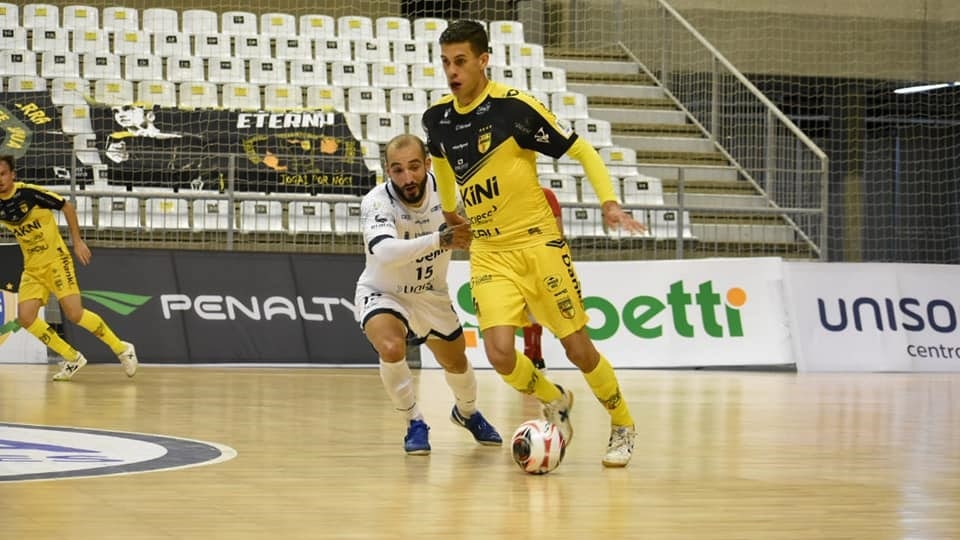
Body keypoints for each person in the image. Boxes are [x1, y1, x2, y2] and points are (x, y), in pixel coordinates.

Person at [422, 20, 646, 467]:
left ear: (483, 60)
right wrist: (450, 210)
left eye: (461, 61)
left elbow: (581, 149)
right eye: (446, 62)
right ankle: (556, 399)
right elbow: (442, 165)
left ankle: (622, 423)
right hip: (488, 249)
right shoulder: (438, 118)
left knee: (578, 347)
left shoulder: (514, 108)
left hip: (538, 243)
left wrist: (610, 203)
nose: (452, 71)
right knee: (501, 355)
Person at [354, 134, 502, 455]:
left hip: (431, 293)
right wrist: (440, 240)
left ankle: (467, 413)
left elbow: (483, 229)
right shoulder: (376, 202)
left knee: (456, 362)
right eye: (397, 170)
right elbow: (385, 252)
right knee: (391, 347)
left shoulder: (451, 193)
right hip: (384, 292)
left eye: (414, 167)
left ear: (428, 164)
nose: (407, 177)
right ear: (387, 171)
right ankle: (414, 422)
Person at [0, 155, 138, 381]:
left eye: (3, 173)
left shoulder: (29, 193)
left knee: (74, 313)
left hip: (56, 259)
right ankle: (72, 357)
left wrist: (77, 241)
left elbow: (67, 207)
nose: (0, 179)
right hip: (32, 268)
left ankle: (122, 349)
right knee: (25, 318)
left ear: (12, 174)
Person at [523, 187, 563, 373]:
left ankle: (534, 356)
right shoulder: (511, 195)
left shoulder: (546, 194)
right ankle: (533, 355)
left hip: (542, 257)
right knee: (527, 309)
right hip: (519, 257)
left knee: (536, 309)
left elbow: (557, 229)